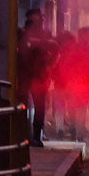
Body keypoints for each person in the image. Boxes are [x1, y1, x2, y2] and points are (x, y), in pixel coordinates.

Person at [18, 14, 58, 146]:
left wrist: (49, 65)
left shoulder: (41, 36)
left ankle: (32, 135)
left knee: (35, 108)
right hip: (30, 76)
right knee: (27, 107)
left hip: (35, 77)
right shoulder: (23, 36)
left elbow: (55, 49)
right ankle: (29, 135)